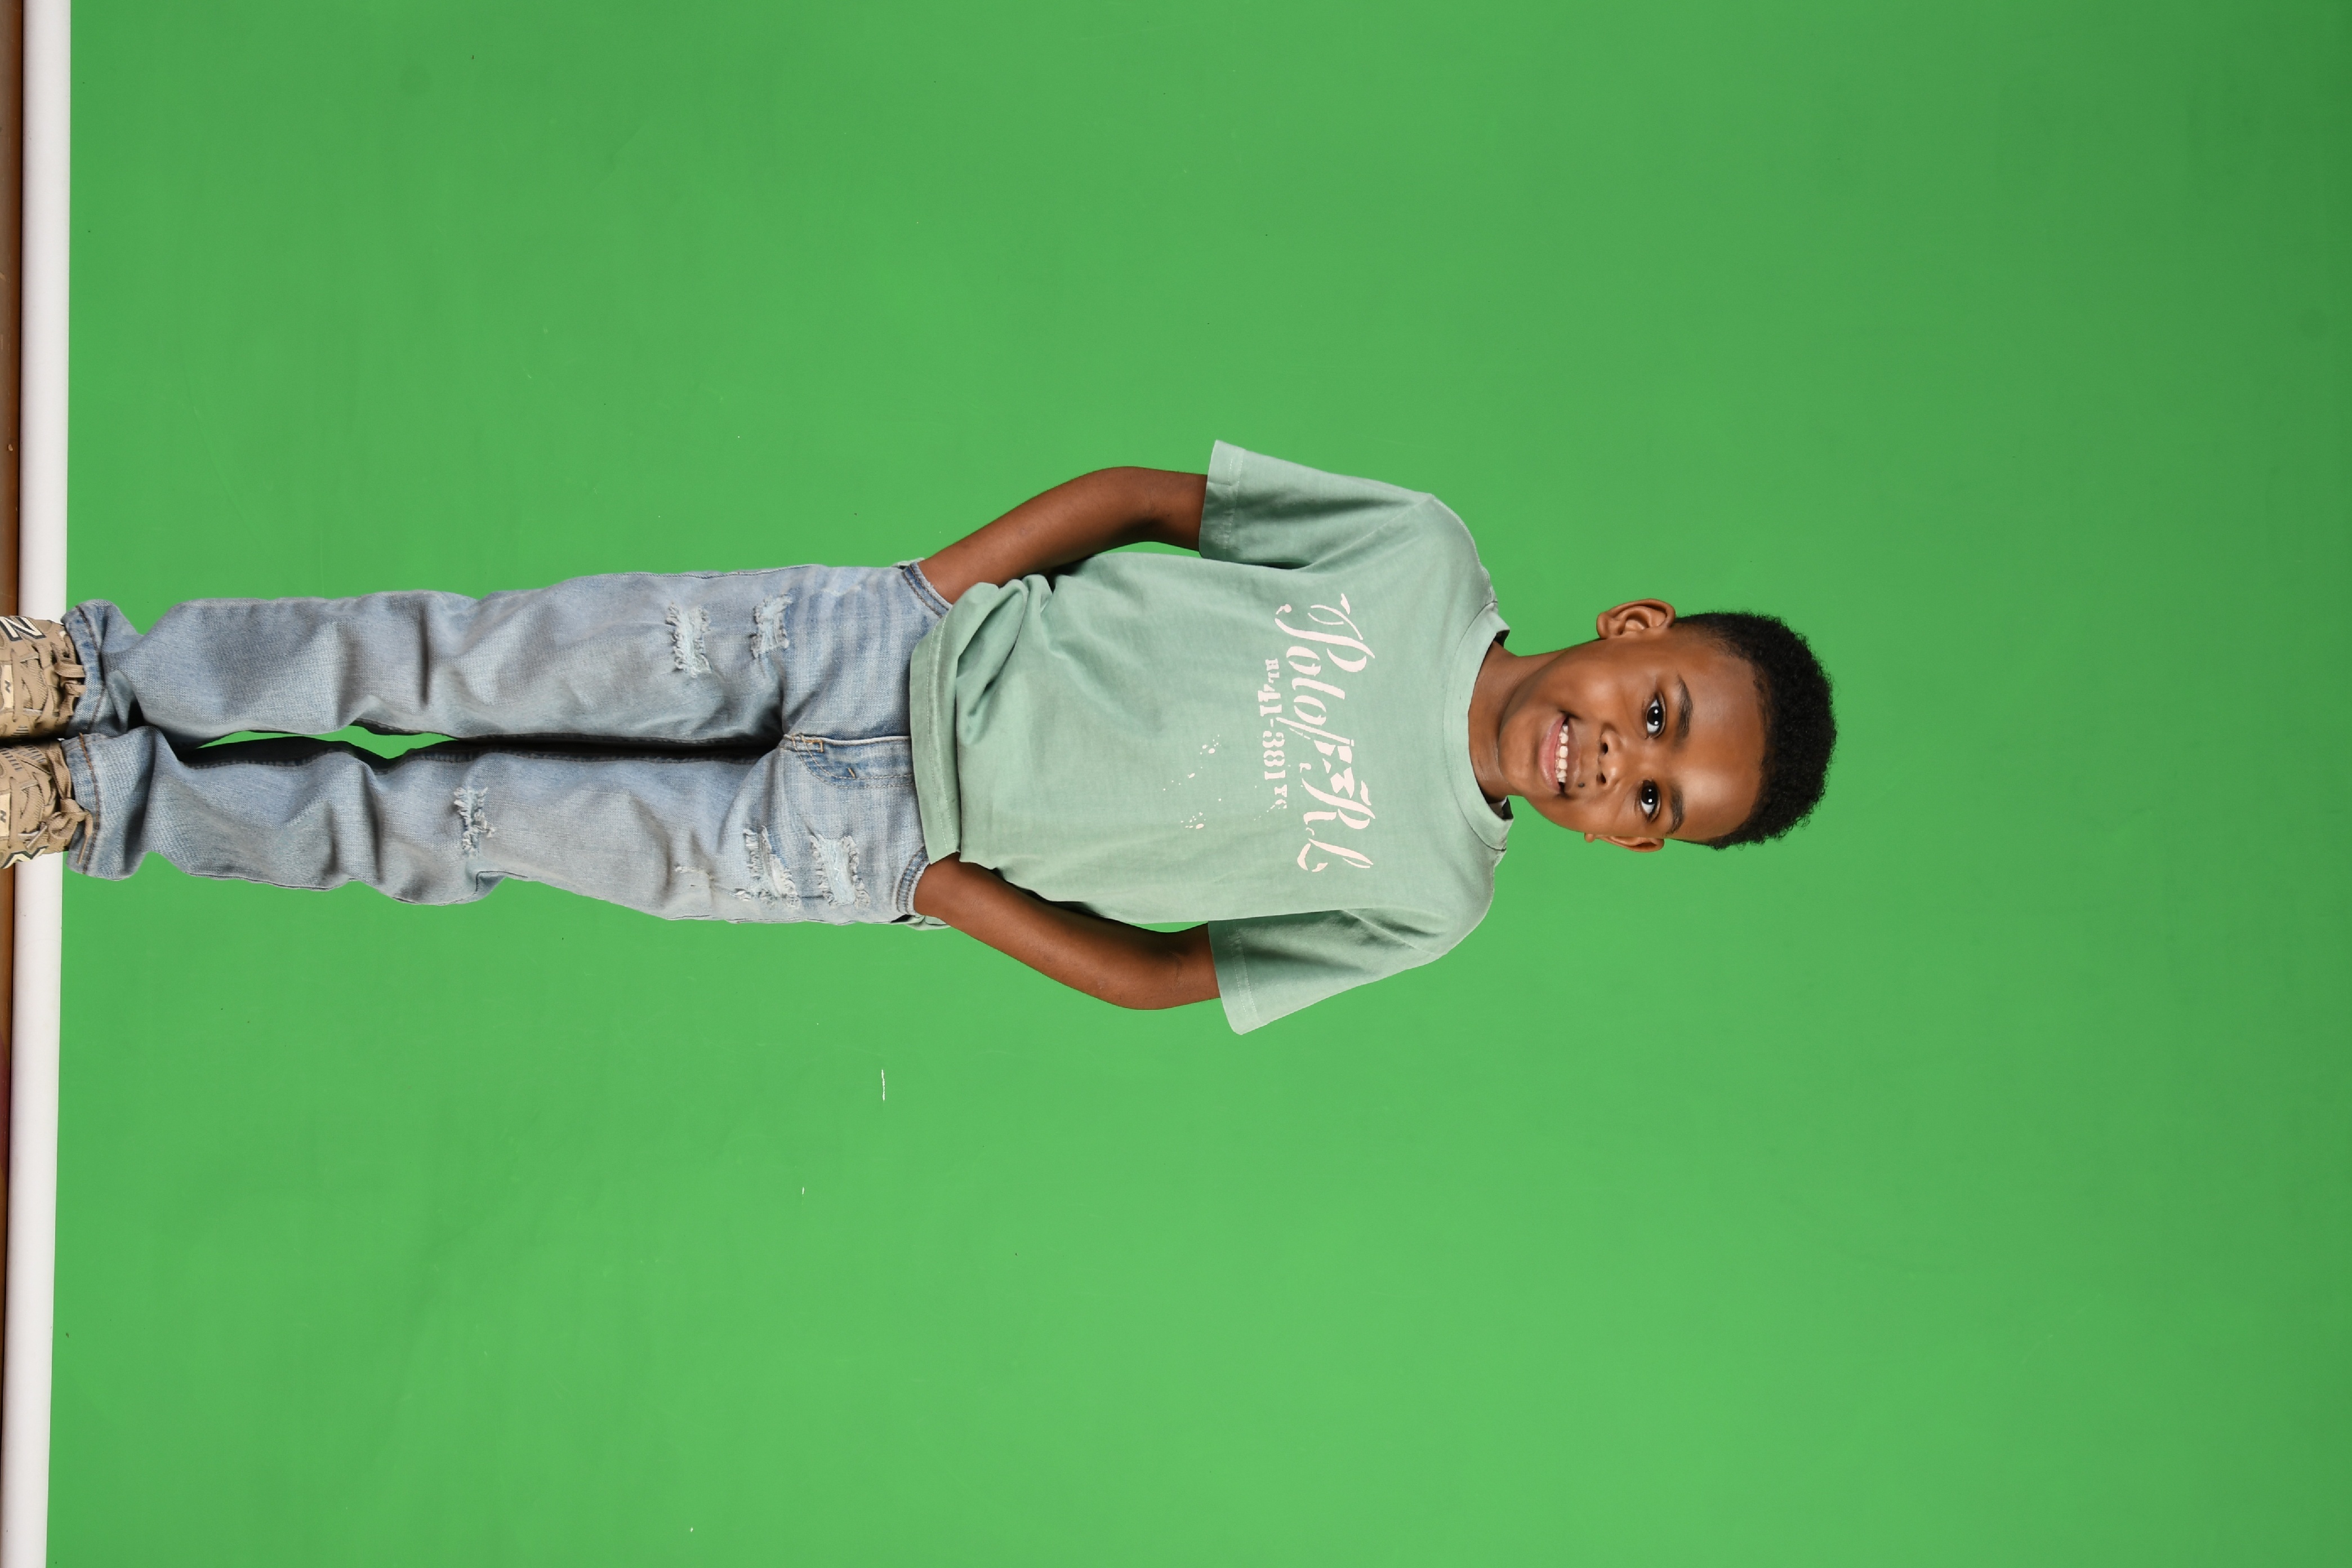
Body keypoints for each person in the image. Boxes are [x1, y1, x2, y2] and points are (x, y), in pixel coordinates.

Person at [0, 444, 1835, 1032]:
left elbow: (1169, 977)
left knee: (464, 824)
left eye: (1657, 806)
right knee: (454, 661)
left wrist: (949, 893)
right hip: (863, 642)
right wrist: (936, 588)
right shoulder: (1417, 552)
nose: (1619, 767)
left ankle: (95, 799)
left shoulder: (1437, 900)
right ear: (1636, 631)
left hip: (864, 852)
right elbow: (1153, 498)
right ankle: (91, 667)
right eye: (1657, 718)